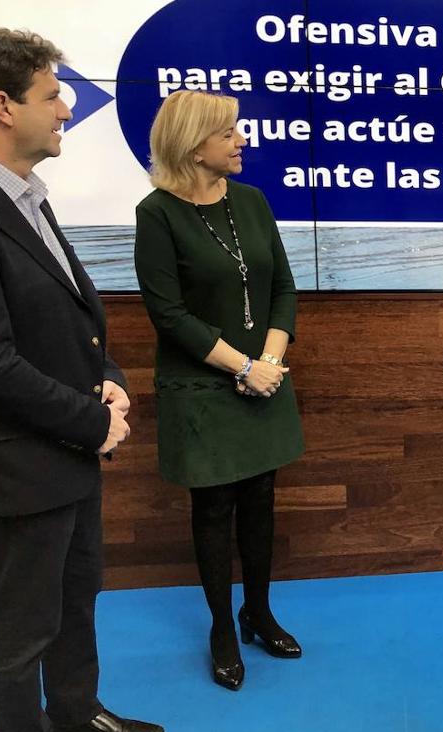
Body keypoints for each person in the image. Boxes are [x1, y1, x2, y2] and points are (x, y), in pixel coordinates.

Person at [0, 29, 165, 732]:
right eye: (53, 95)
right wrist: (94, 420)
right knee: (21, 626)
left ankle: (76, 718)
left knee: (75, 599)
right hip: (15, 463)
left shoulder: (22, 196)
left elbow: (66, 317)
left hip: (66, 448)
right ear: (1, 106)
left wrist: (107, 374)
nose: (65, 108)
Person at [134, 90, 305, 691]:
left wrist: (271, 361)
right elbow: (169, 315)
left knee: (261, 500)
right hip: (204, 385)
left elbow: (284, 286)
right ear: (192, 145)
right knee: (213, 508)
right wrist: (242, 367)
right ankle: (221, 630)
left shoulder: (253, 202)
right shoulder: (157, 213)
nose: (241, 141)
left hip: (265, 377)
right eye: (229, 133)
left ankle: (256, 614)